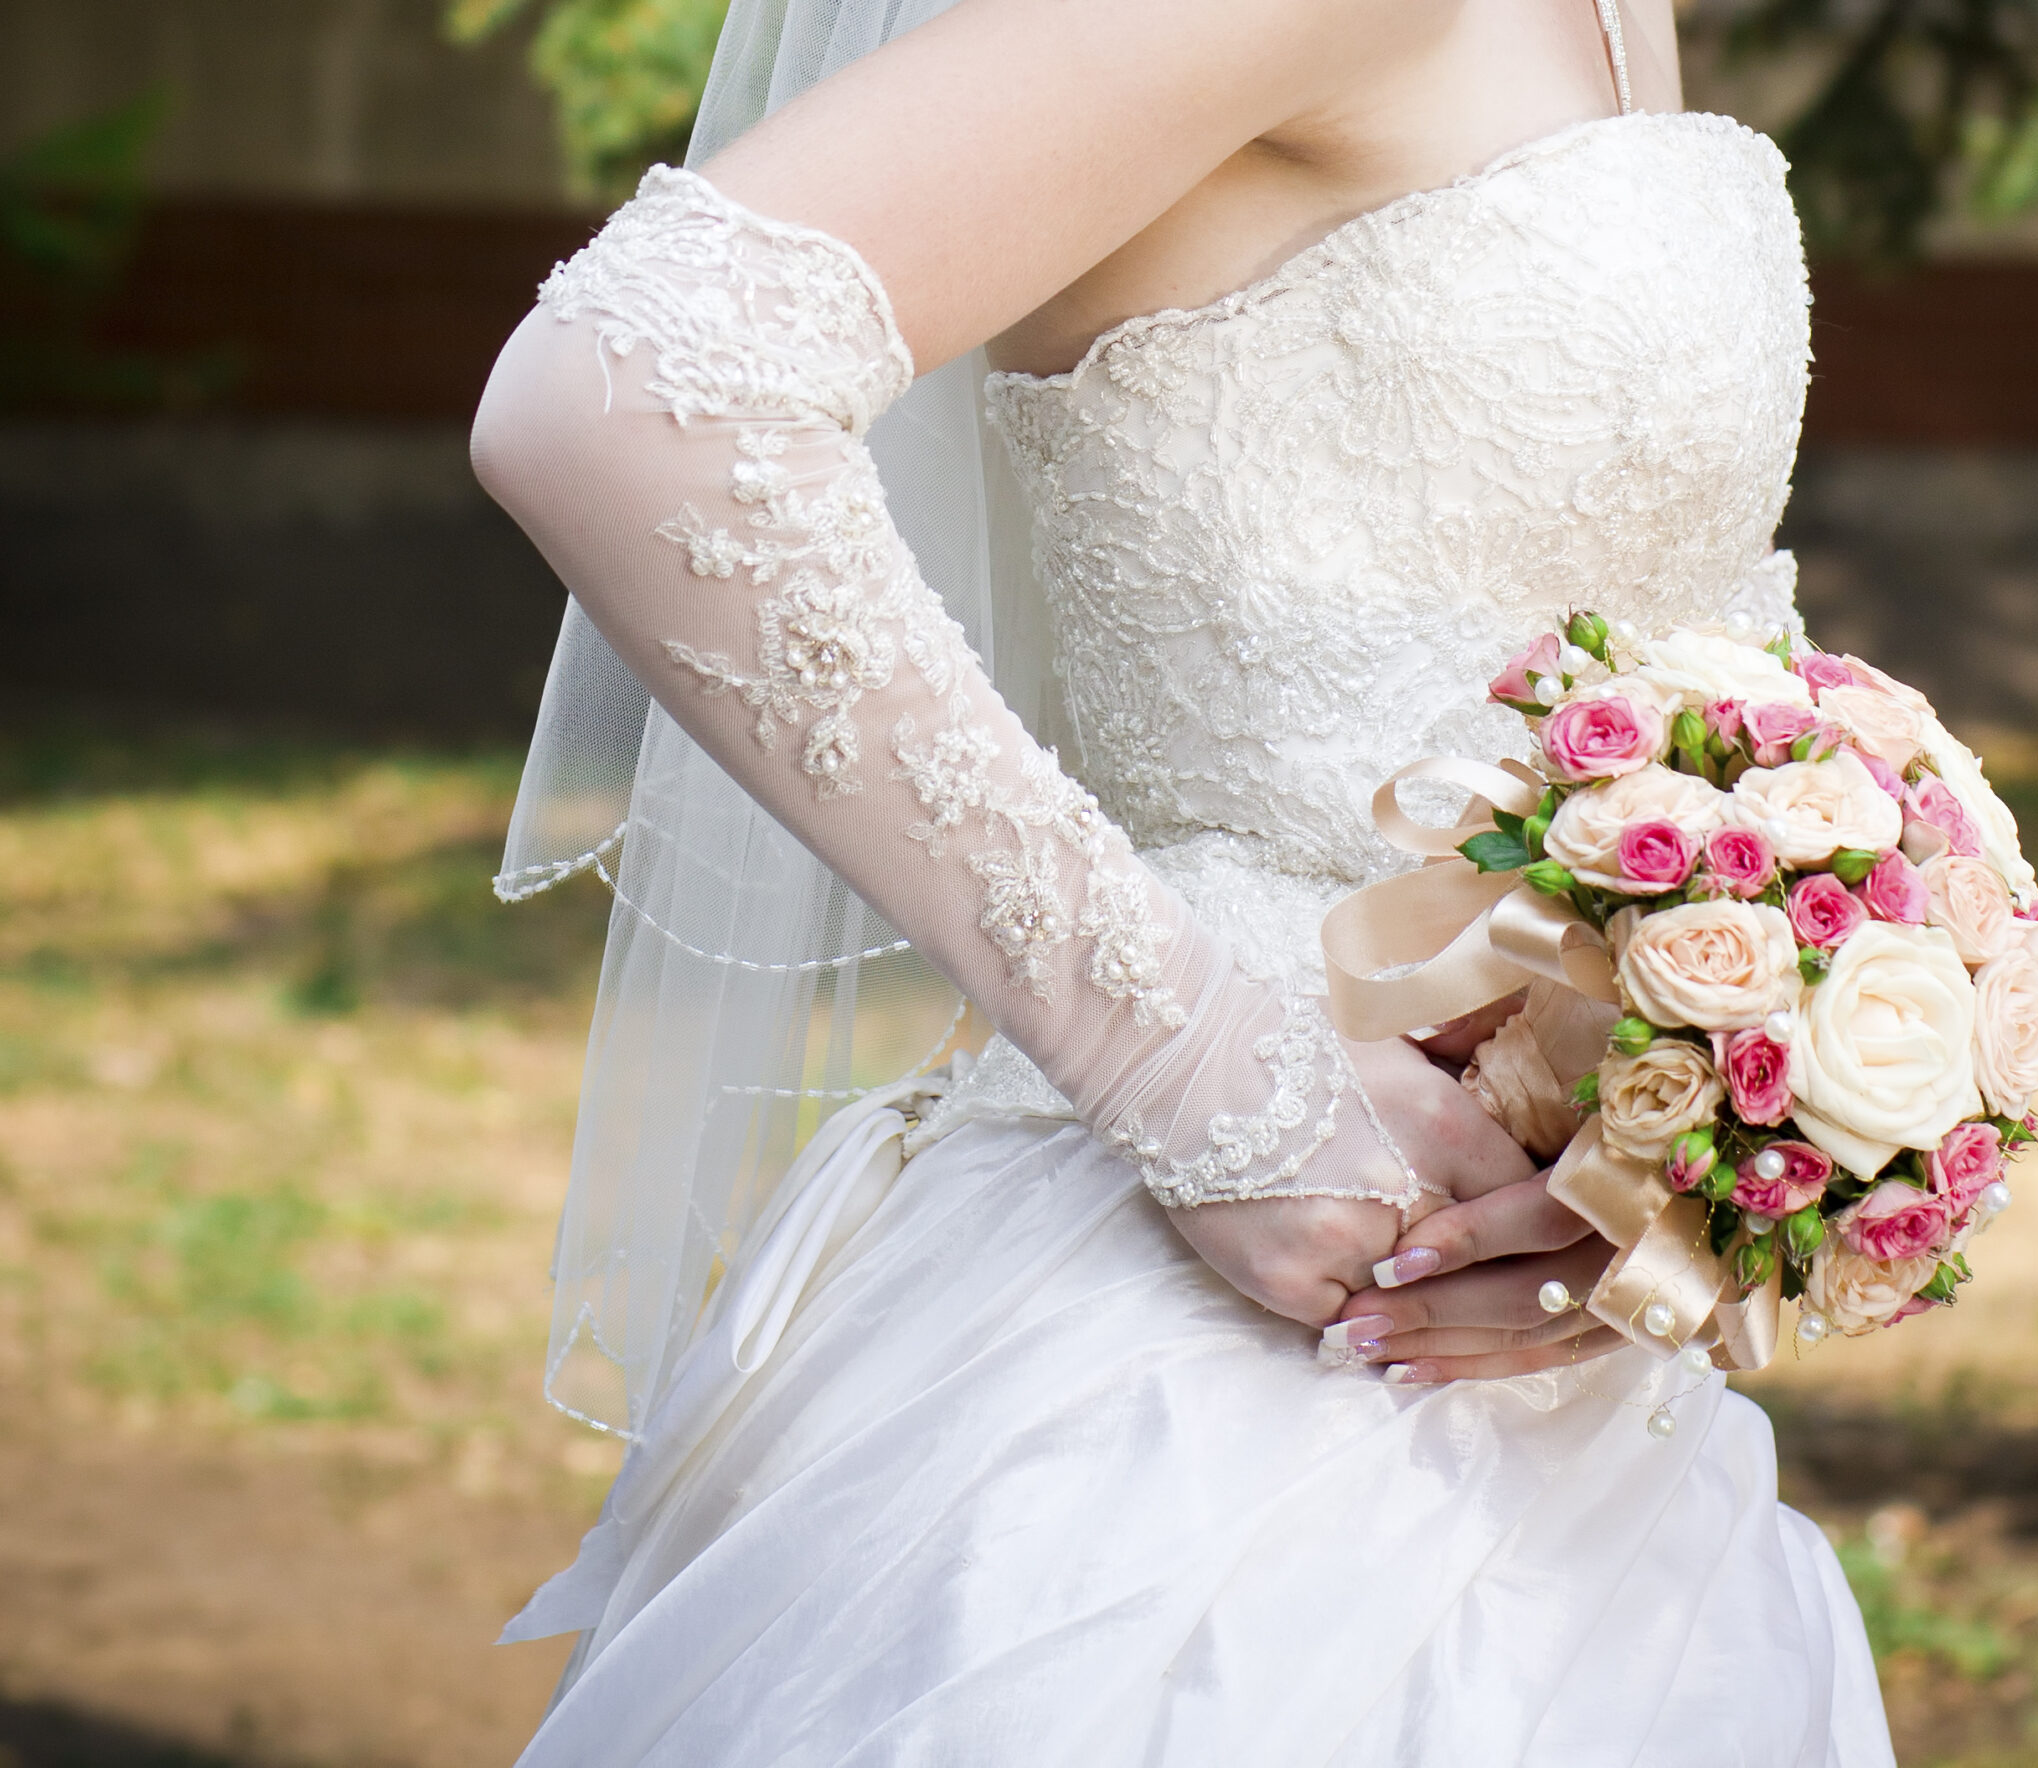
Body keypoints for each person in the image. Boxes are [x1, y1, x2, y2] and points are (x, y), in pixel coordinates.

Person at [471, 0, 1893, 1758]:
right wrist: (1204, 1073)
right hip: (1212, 1365)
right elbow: (626, 387)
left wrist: (1761, 1062)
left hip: (1566, 1407)